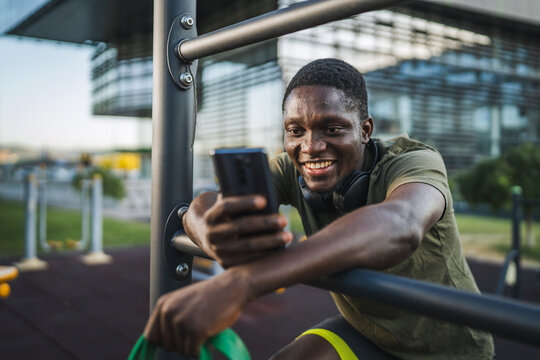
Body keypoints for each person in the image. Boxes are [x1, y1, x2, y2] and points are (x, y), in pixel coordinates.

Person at [144, 58, 494, 359]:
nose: (310, 146)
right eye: (296, 130)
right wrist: (209, 232)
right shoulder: (292, 167)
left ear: (365, 129)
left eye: (332, 128)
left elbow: (400, 224)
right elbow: (205, 202)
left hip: (452, 349)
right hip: (368, 336)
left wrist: (243, 282)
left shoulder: (414, 161)